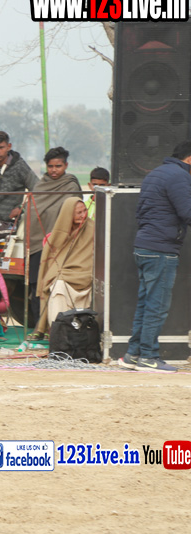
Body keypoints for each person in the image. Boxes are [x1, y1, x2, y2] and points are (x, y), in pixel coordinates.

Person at [120, 140, 191, 373]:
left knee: (146, 304)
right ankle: (149, 357)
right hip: (161, 250)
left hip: (145, 246)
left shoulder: (156, 173)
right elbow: (188, 212)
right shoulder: (179, 176)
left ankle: (133, 354)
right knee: (156, 307)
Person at [25, 146, 81, 327]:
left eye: (58, 166)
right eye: (50, 166)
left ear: (66, 165)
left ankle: (58, 326)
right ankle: (38, 326)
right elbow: (32, 212)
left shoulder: (71, 186)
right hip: (38, 244)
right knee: (37, 285)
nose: (54, 170)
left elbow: (74, 214)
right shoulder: (40, 185)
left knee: (58, 285)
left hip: (62, 246)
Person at [30, 197, 95, 339]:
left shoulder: (93, 229)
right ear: (68, 214)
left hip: (85, 275)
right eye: (78, 213)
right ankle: (58, 334)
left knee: (58, 282)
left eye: (84, 211)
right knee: (57, 285)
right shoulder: (59, 233)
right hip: (64, 275)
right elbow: (52, 261)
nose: (83, 215)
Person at [0, 130, 39, 239]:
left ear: (9, 147)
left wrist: (22, 208)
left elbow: (38, 190)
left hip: (11, 223)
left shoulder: (20, 166)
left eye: (1, 148)